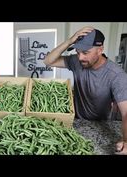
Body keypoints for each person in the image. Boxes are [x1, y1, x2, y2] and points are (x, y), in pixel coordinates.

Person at [44, 26, 127, 155]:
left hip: (101, 125)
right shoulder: (77, 62)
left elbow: (126, 113)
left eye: (85, 52)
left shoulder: (116, 75)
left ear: (100, 50)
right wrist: (69, 41)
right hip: (76, 122)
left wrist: (126, 141)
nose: (80, 57)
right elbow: (48, 61)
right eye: (77, 52)